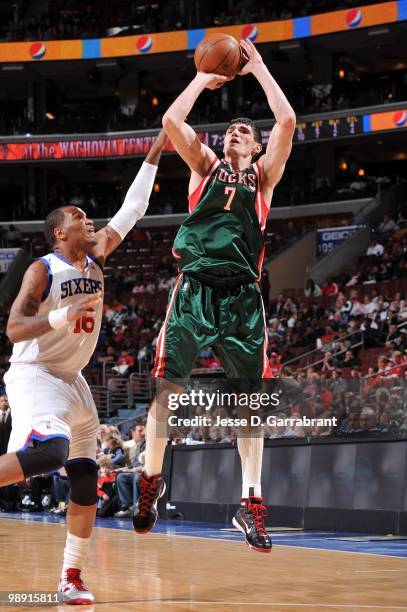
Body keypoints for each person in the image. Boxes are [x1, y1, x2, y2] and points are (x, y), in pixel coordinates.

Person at [133, 38, 296, 553]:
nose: (235, 134)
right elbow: (172, 123)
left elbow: (287, 121)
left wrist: (261, 68)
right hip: (195, 290)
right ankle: (150, 483)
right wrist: (205, 78)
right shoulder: (204, 168)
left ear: (255, 148)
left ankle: (251, 505)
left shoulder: (264, 177)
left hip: (243, 299)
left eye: (244, 132)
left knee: (251, 408)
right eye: (230, 130)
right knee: (168, 393)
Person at [0, 131, 167, 603]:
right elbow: (13, 329)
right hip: (36, 374)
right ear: (59, 232)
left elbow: (133, 208)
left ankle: (70, 577)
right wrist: (59, 315)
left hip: (74, 382)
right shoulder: (43, 270)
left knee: (85, 479)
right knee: (48, 455)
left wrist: (155, 150)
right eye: (79, 217)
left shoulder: (95, 256)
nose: (88, 220)